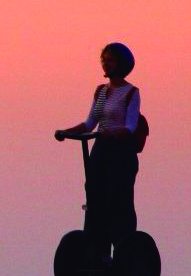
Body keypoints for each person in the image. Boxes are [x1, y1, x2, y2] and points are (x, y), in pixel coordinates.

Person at [54, 42, 142, 256]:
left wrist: (111, 134)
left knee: (116, 197)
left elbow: (130, 126)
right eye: (103, 60)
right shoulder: (101, 91)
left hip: (120, 152)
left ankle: (122, 248)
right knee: (94, 196)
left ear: (122, 63)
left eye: (110, 60)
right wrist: (66, 132)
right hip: (100, 149)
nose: (105, 64)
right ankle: (95, 247)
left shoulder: (131, 92)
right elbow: (90, 123)